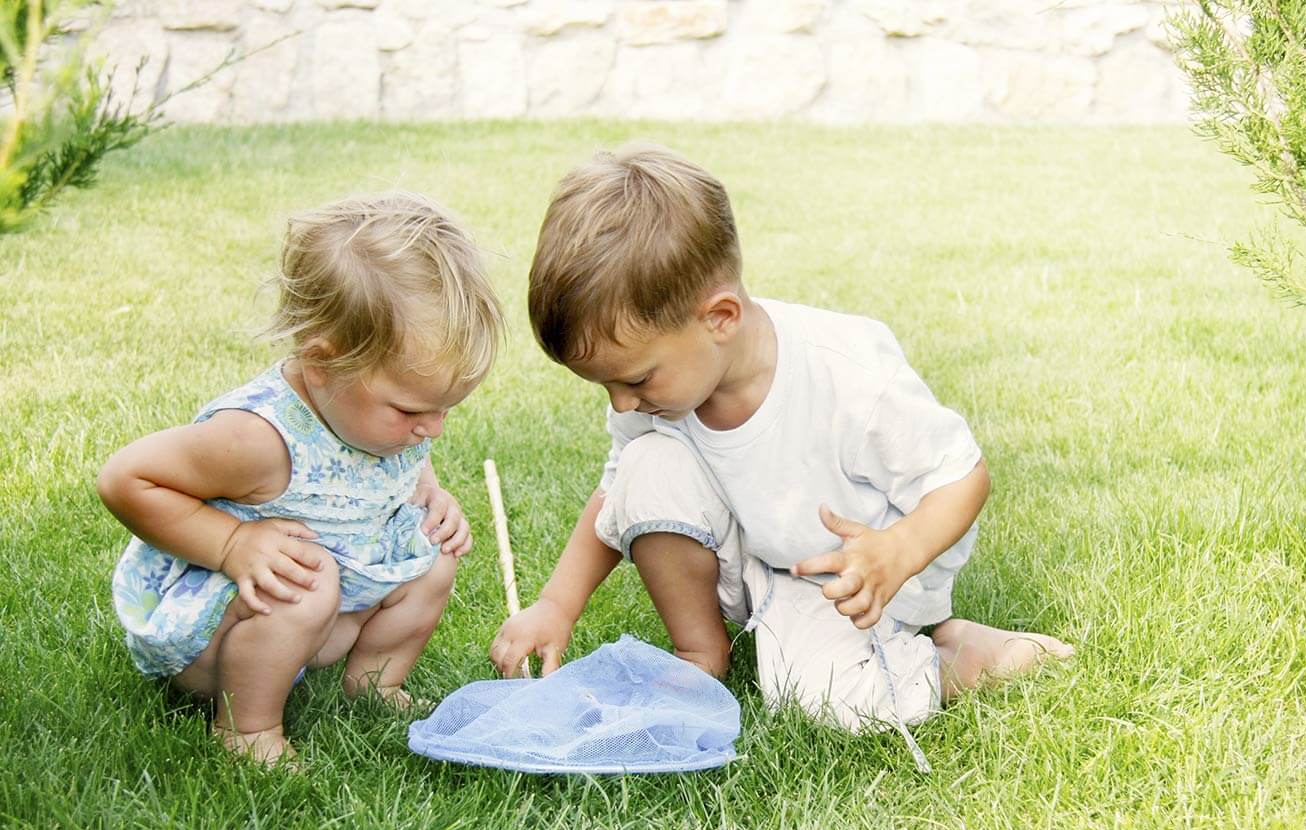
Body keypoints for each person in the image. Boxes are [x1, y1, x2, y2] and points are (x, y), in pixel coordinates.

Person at [491, 145, 1072, 740]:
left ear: (719, 318)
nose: (620, 402)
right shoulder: (666, 394)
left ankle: (962, 656)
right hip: (757, 551)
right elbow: (618, 491)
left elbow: (961, 475)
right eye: (608, 385)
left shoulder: (847, 375)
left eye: (635, 379)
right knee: (645, 464)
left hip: (854, 575)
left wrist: (897, 551)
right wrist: (556, 605)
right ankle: (702, 653)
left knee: (820, 700)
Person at [99, 192, 504, 766]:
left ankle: (374, 683)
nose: (431, 429)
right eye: (412, 411)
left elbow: (408, 463)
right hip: (215, 635)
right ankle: (246, 729)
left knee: (435, 555)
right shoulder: (257, 439)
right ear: (322, 363)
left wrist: (430, 495)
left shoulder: (379, 416)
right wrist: (233, 543)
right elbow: (125, 478)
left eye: (446, 409)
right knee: (309, 581)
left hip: (320, 612)